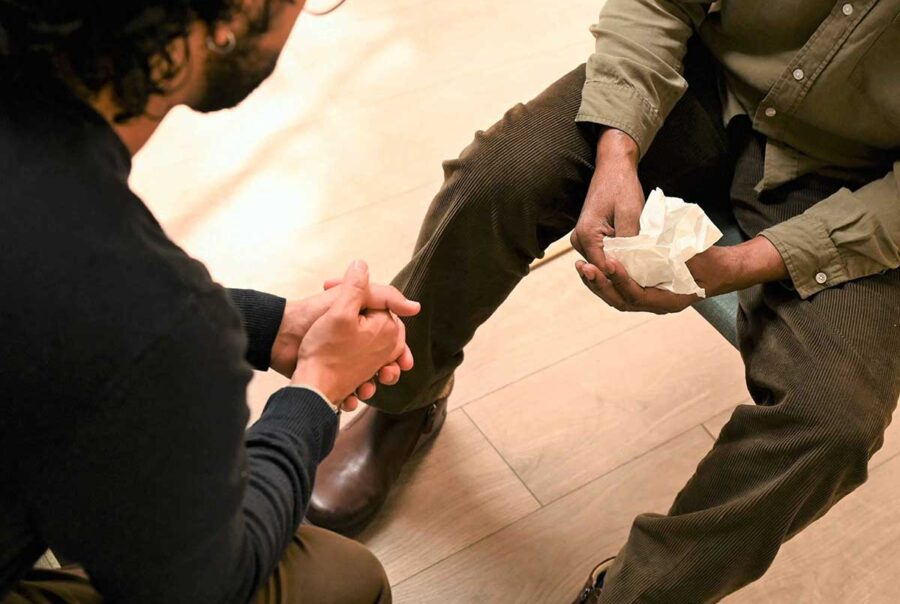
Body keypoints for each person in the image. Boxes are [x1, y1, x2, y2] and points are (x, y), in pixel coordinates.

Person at [307, 0, 900, 601]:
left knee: (833, 420)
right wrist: (618, 149)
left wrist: (745, 263)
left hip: (856, 177)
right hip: (702, 78)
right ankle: (406, 397)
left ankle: (631, 595)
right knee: (499, 176)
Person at [0, 1, 415, 602]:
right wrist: (314, 393)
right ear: (232, 16)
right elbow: (209, 584)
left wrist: (267, 325)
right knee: (345, 579)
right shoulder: (145, 311)